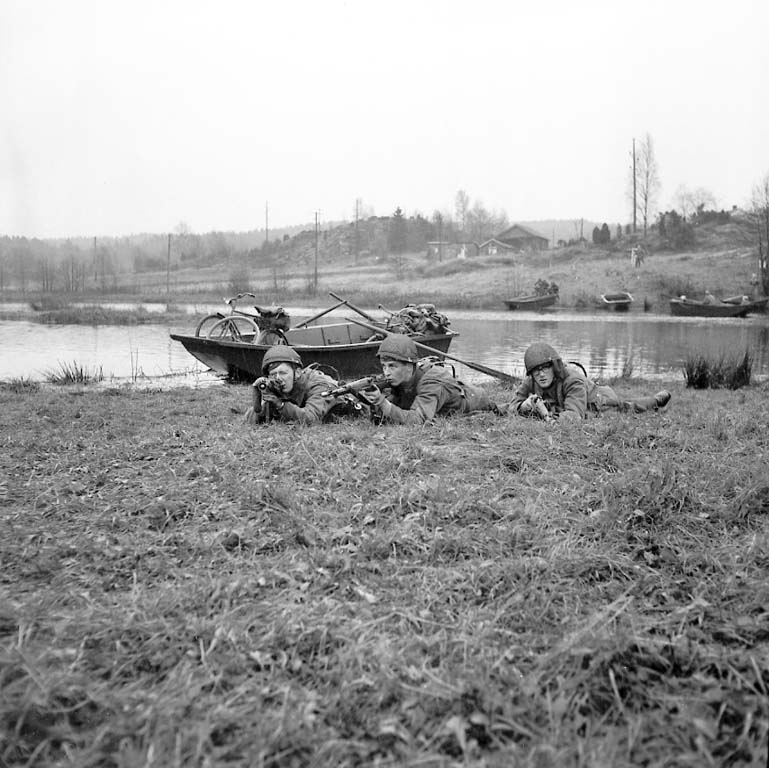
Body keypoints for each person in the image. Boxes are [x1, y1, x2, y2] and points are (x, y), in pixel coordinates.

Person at [358, 334, 504, 425]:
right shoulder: (401, 379)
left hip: (476, 402)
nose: (386, 372)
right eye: (384, 366)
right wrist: (372, 401)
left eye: (392, 366)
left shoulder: (432, 383)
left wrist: (382, 402)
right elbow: (386, 415)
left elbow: (417, 420)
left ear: (408, 366)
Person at [510, 342, 671, 422]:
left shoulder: (572, 380)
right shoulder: (531, 381)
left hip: (600, 401)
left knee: (628, 407)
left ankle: (656, 400)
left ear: (554, 367)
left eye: (545, 368)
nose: (541, 374)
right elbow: (511, 406)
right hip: (578, 402)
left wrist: (547, 414)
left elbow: (574, 416)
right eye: (536, 371)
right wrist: (522, 406)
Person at [244, 347, 350, 424]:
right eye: (273, 374)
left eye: (283, 373)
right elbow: (249, 419)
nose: (278, 378)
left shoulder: (319, 385)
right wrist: (262, 399)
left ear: (298, 373)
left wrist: (280, 405)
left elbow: (310, 418)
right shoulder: (279, 385)